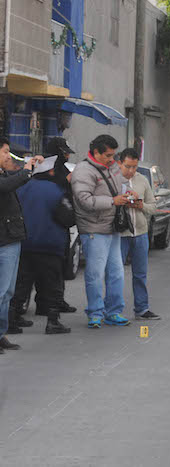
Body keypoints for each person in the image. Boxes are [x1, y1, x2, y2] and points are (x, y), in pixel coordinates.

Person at [8, 137, 77, 332]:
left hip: (25, 243)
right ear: (51, 170)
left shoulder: (21, 187)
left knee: (22, 283)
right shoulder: (56, 190)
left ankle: (12, 319)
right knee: (53, 283)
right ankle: (53, 321)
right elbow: (68, 218)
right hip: (50, 244)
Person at [71, 135, 132, 329]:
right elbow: (84, 200)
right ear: (95, 153)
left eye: (114, 155)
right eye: (107, 155)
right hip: (93, 228)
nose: (112, 159)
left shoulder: (113, 166)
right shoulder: (83, 171)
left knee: (116, 273)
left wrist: (129, 194)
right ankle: (95, 313)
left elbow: (121, 184)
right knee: (95, 274)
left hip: (112, 227)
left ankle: (113, 311)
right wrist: (113, 201)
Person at [0, 137, 43, 353]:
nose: (8, 156)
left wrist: (30, 166)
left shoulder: (4, 173)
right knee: (1, 291)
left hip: (10, 238)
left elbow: (12, 178)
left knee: (7, 291)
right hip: (4, 238)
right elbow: (8, 184)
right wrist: (26, 170)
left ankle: (1, 334)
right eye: (5, 152)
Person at [117, 148, 161, 321]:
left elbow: (152, 207)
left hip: (141, 232)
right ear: (120, 163)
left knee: (140, 274)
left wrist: (139, 204)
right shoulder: (113, 180)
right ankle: (113, 310)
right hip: (120, 234)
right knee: (116, 274)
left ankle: (142, 309)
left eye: (134, 167)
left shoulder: (142, 180)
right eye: (128, 166)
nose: (131, 171)